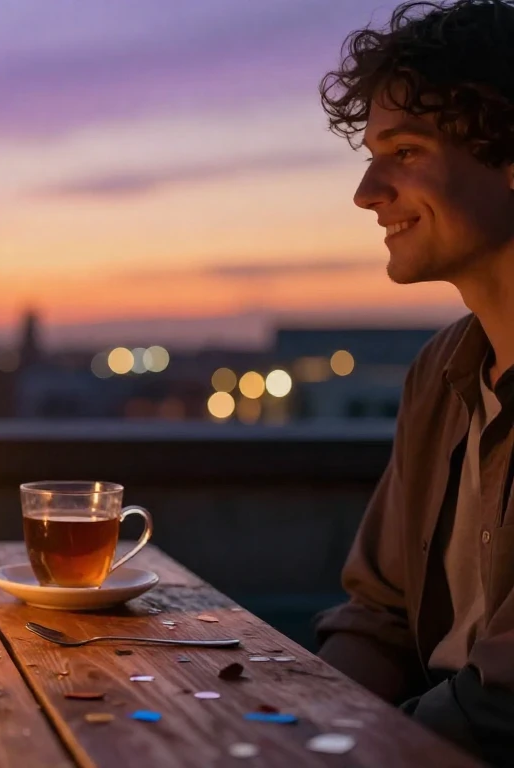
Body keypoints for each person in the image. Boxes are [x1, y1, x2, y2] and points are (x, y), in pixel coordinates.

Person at [313, 0, 514, 763]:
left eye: (404, 151)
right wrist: (298, 725)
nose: (367, 191)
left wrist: (348, 747)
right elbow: (380, 615)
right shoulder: (440, 372)